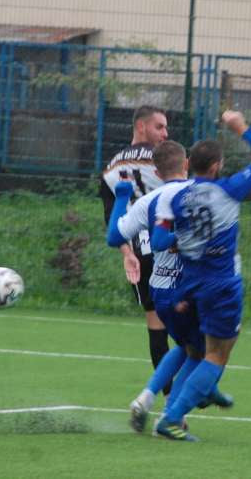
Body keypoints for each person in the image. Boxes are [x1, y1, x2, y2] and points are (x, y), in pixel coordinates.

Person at [149, 111, 251, 441]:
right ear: (216, 166)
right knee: (217, 354)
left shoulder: (175, 197)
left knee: (196, 352)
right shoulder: (229, 189)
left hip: (188, 284)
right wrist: (241, 128)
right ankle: (171, 418)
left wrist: (184, 239)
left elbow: (160, 240)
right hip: (221, 284)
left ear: (189, 164)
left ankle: (181, 408)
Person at [105, 140, 232, 434]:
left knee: (187, 348)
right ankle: (172, 413)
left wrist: (122, 197)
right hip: (190, 289)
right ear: (186, 164)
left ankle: (145, 398)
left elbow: (114, 237)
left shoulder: (148, 202)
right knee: (207, 352)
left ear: (156, 171)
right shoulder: (199, 195)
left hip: (159, 290)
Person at [100, 105, 171, 390]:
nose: (166, 134)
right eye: (159, 127)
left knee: (156, 328)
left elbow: (110, 217)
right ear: (140, 127)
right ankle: (198, 387)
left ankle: (169, 401)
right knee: (190, 319)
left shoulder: (111, 166)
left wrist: (126, 253)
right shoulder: (166, 160)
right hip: (168, 248)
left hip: (139, 254)